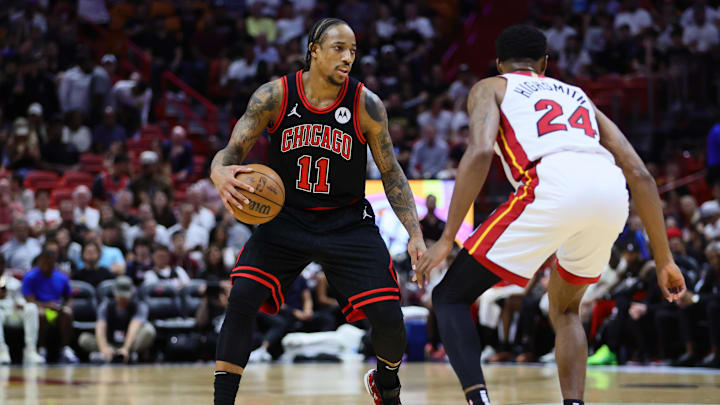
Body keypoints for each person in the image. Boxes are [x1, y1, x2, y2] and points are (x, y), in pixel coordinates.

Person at [414, 25, 686, 405]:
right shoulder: (578, 95)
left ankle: (479, 401)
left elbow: (478, 153)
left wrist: (446, 239)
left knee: (449, 297)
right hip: (609, 190)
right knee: (566, 307)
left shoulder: (491, 87)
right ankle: (574, 403)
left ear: (498, 64)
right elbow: (639, 173)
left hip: (552, 183)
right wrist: (665, 259)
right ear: (545, 64)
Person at [210, 18, 425, 405]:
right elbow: (231, 153)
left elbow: (391, 171)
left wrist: (416, 233)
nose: (348, 58)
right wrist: (217, 171)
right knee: (242, 297)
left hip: (346, 223)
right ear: (314, 50)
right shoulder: (274, 96)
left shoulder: (366, 104)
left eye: (353, 51)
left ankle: (386, 384)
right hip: (286, 219)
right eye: (339, 49)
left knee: (391, 318)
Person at [78, 276, 156, 363]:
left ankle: (128, 354)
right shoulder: (106, 306)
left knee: (149, 331)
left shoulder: (139, 306)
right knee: (84, 339)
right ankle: (107, 355)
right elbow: (100, 327)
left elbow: (134, 327)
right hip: (110, 343)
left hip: (130, 344)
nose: (123, 299)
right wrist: (104, 348)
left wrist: (125, 348)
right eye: (120, 296)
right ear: (115, 293)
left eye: (125, 296)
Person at [21, 250, 78, 363]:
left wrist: (66, 306)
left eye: (49, 263)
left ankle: (65, 349)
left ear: (54, 263)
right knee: (41, 315)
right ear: (39, 263)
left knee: (67, 313)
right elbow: (29, 300)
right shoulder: (30, 277)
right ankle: (41, 349)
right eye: (44, 263)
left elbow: (69, 297)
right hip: (40, 308)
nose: (46, 266)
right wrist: (47, 305)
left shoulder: (61, 277)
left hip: (56, 310)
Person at [0, 255, 44, 364]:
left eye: (1, 264)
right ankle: (2, 351)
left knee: (32, 308)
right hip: (1, 313)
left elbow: (20, 299)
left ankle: (31, 350)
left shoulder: (12, 282)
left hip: (12, 313)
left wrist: (21, 304)